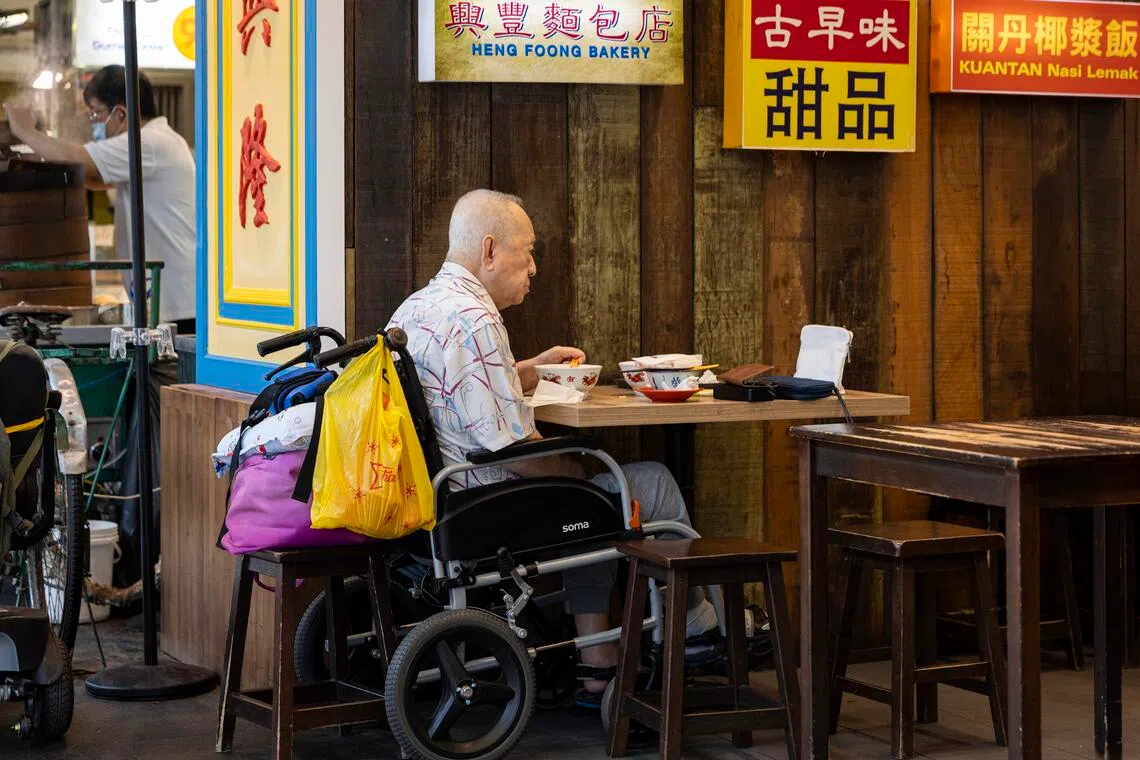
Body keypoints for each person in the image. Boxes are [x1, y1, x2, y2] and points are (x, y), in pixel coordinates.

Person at [386, 189, 718, 708]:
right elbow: (515, 449)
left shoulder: (419, 307)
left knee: (593, 493)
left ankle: (598, 660)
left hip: (439, 498)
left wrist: (531, 369)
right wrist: (575, 469)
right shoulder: (477, 320)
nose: (534, 267)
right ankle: (697, 629)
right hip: (489, 506)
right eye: (528, 251)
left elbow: (461, 390)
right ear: (490, 250)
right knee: (639, 483)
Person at [4, 65, 197, 334]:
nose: (94, 123)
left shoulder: (149, 143)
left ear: (121, 113)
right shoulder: (155, 143)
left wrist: (25, 131)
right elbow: (91, 176)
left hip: (178, 306)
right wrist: (37, 142)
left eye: (96, 114)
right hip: (170, 303)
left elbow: (81, 160)